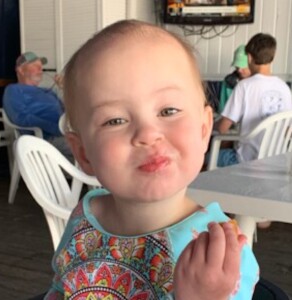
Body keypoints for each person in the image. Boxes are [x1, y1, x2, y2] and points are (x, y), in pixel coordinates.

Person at [44, 20, 259, 300]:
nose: (147, 134)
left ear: (204, 129)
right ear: (84, 153)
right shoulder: (84, 216)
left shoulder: (220, 250)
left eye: (168, 110)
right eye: (115, 120)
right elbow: (61, 288)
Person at [216, 33, 292, 167]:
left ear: (249, 57)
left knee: (208, 157)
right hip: (277, 163)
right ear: (271, 58)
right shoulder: (284, 88)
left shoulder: (244, 86)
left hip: (246, 162)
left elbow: (222, 128)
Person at [2, 51, 71, 158]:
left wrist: (65, 89)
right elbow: (21, 118)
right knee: (91, 148)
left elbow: (68, 111)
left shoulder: (47, 91)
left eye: (41, 66)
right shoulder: (13, 90)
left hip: (66, 133)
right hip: (44, 138)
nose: (41, 70)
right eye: (36, 66)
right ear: (20, 70)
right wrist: (57, 128)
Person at [218, 44, 251, 114]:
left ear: (251, 64)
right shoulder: (228, 82)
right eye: (237, 67)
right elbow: (223, 108)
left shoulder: (259, 83)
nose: (239, 70)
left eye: (243, 66)